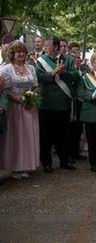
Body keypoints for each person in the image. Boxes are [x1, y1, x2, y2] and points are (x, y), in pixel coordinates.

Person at [36, 37, 78, 173]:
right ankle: (46, 163)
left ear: (55, 47)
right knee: (45, 136)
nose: (44, 48)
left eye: (47, 46)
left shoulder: (69, 60)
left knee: (63, 135)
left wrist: (63, 72)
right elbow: (38, 78)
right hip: (46, 103)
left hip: (63, 103)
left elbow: (75, 76)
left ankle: (64, 161)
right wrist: (53, 73)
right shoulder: (40, 61)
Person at [0, 41, 40, 179]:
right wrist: (18, 99)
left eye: (23, 51)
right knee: (15, 137)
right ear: (12, 54)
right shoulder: (6, 69)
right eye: (18, 52)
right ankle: (15, 167)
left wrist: (32, 96)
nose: (21, 54)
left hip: (29, 107)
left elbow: (34, 86)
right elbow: (4, 89)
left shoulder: (31, 68)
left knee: (28, 136)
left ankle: (26, 165)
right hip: (14, 108)